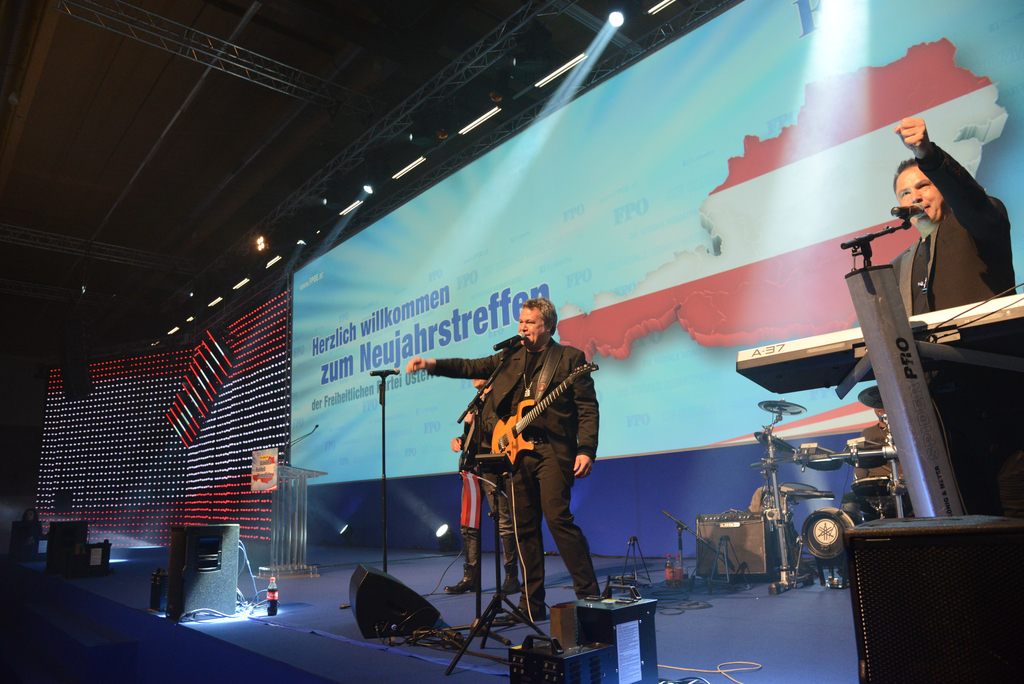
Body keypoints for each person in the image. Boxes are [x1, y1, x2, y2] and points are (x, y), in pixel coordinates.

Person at [407, 297, 600, 621]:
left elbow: (587, 408)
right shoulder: (510, 357)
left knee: (558, 520)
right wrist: (432, 364)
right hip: (515, 455)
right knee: (524, 530)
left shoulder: (569, 358)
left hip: (551, 451)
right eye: (520, 322)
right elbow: (471, 367)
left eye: (530, 322)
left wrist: (586, 449)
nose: (522, 327)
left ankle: (591, 597)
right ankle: (531, 605)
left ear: (549, 326)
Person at [890, 117, 1023, 517]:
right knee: (971, 532)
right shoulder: (901, 265)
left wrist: (927, 155)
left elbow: (971, 200)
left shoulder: (976, 227)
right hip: (944, 423)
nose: (915, 196)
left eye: (924, 185)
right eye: (905, 193)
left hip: (1002, 409)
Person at [444, 379, 520, 596]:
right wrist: (459, 440)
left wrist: (476, 422)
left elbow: (501, 430)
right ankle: (471, 578)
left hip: (492, 468)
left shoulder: (501, 398)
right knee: (468, 526)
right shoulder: (476, 402)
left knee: (504, 523)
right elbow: (471, 436)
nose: (472, 376)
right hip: (472, 469)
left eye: (477, 370)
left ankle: (511, 577)